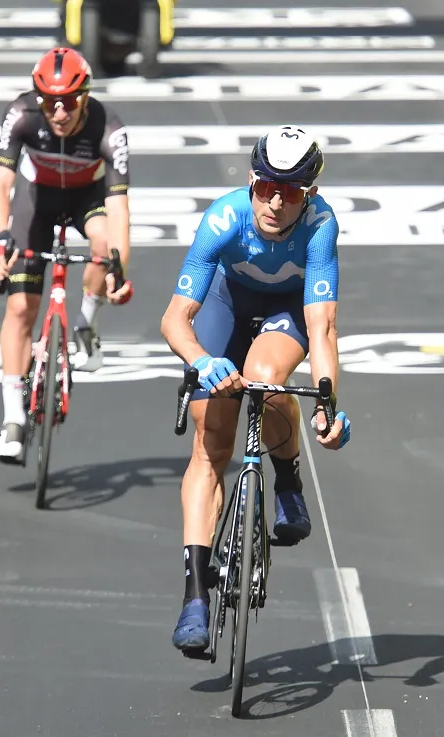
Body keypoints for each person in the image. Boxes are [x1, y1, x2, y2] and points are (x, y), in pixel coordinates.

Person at [159, 124, 353, 653]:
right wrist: (202, 362)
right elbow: (176, 319)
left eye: (288, 192)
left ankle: (288, 480)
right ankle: (195, 597)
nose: (273, 201)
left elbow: (322, 328)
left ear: (307, 195)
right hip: (226, 305)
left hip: (285, 313)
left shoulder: (320, 226)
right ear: (251, 179)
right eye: (265, 186)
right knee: (210, 440)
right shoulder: (224, 217)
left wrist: (328, 401)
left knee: (267, 378)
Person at [0, 46, 135, 464]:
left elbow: (120, 206)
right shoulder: (21, 115)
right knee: (20, 309)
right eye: (50, 101)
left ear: (85, 96)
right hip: (39, 200)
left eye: (69, 101)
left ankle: (86, 323)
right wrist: (0, 239)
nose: (59, 111)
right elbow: (0, 183)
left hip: (88, 197)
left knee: (103, 244)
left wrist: (118, 269)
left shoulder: (110, 129)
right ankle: (13, 419)